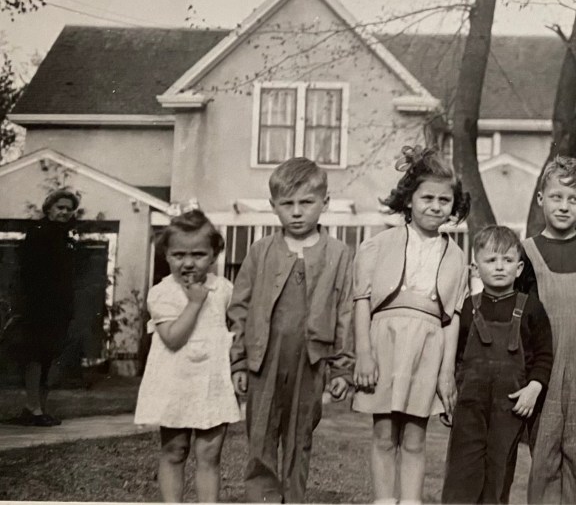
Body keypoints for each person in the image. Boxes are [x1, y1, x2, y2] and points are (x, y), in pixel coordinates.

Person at [227, 157, 356, 503]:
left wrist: (342, 368)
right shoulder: (260, 251)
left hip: (310, 362)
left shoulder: (339, 254)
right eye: (287, 204)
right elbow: (239, 309)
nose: (297, 212)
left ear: (325, 203)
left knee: (300, 439)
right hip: (264, 360)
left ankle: (294, 498)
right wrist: (238, 362)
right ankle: (263, 499)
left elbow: (345, 311)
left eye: (306, 202)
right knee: (261, 437)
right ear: (273, 206)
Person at [351, 145, 470, 505]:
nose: (435, 206)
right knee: (384, 435)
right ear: (409, 199)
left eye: (444, 200)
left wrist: (446, 373)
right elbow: (362, 302)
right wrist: (364, 354)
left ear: (454, 206)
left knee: (416, 439)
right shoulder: (378, 245)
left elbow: (452, 318)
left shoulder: (456, 257)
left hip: (428, 350)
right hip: (385, 343)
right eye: (427, 198)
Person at [134, 206, 241, 502]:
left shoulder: (223, 289)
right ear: (166, 255)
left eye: (199, 254)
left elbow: (240, 324)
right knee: (175, 450)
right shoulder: (162, 293)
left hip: (212, 383)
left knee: (209, 453)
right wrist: (194, 303)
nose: (189, 263)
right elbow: (172, 338)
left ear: (214, 255)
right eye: (179, 255)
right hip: (175, 383)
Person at [442, 225, 553, 504]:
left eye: (508, 260)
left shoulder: (532, 308)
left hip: (510, 407)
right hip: (469, 406)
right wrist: (449, 393)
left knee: (498, 476)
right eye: (491, 260)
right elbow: (454, 356)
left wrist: (533, 388)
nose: (500, 267)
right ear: (476, 268)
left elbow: (544, 356)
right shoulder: (467, 308)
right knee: (461, 474)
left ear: (519, 268)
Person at [520, 155, 576, 504]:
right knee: (544, 458)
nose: (564, 206)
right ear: (541, 198)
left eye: (574, 199)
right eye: (556, 197)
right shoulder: (527, 252)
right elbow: (522, 322)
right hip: (545, 370)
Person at [9, 189, 81, 427]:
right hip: (38, 307)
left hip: (60, 308)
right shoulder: (38, 234)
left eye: (68, 208)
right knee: (35, 355)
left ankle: (39, 407)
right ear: (49, 208)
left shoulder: (67, 238)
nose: (64, 212)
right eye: (60, 207)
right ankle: (33, 408)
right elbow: (28, 273)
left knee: (50, 357)